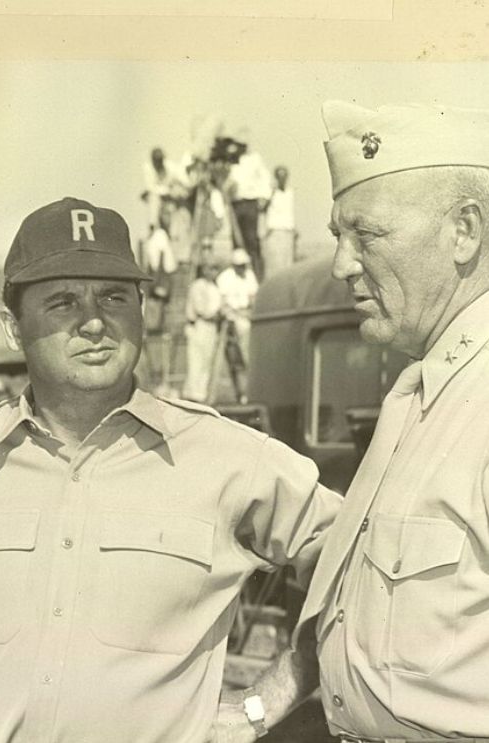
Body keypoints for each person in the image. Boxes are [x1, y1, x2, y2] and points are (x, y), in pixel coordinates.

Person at [0, 196, 342, 743]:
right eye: (62, 302)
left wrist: (266, 700)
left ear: (142, 312)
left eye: (115, 297)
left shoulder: (231, 457)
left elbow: (355, 566)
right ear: (12, 328)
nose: (94, 322)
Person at [295, 100, 489, 740]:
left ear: (465, 231)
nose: (342, 265)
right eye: (337, 237)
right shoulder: (420, 390)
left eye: (367, 236)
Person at [216, 248, 259, 400]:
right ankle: (239, 392)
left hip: (246, 316)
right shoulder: (225, 278)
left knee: (248, 357)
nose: (242, 268)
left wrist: (249, 312)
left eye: (244, 265)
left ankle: (248, 392)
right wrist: (234, 314)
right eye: (239, 265)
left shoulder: (249, 275)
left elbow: (253, 298)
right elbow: (222, 304)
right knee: (236, 360)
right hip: (232, 318)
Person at [228, 129, 271, 279]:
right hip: (235, 204)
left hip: (250, 203)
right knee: (236, 240)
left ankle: (257, 275)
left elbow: (265, 178)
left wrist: (264, 197)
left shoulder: (254, 159)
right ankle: (239, 275)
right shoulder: (231, 160)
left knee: (252, 240)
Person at [183, 261, 222, 403]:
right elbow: (201, 310)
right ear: (204, 270)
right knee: (196, 359)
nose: (213, 272)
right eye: (211, 269)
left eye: (215, 269)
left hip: (211, 327)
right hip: (199, 325)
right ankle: (193, 394)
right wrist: (216, 313)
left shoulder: (214, 287)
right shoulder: (198, 286)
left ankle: (202, 392)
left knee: (207, 360)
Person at [263, 165, 298, 271]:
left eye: (284, 176)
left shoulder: (290, 192)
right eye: (280, 176)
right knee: (274, 265)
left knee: (288, 264)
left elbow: (289, 212)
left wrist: (294, 229)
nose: (282, 179)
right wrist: (271, 193)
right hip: (275, 232)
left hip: (288, 231)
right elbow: (262, 208)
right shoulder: (270, 192)